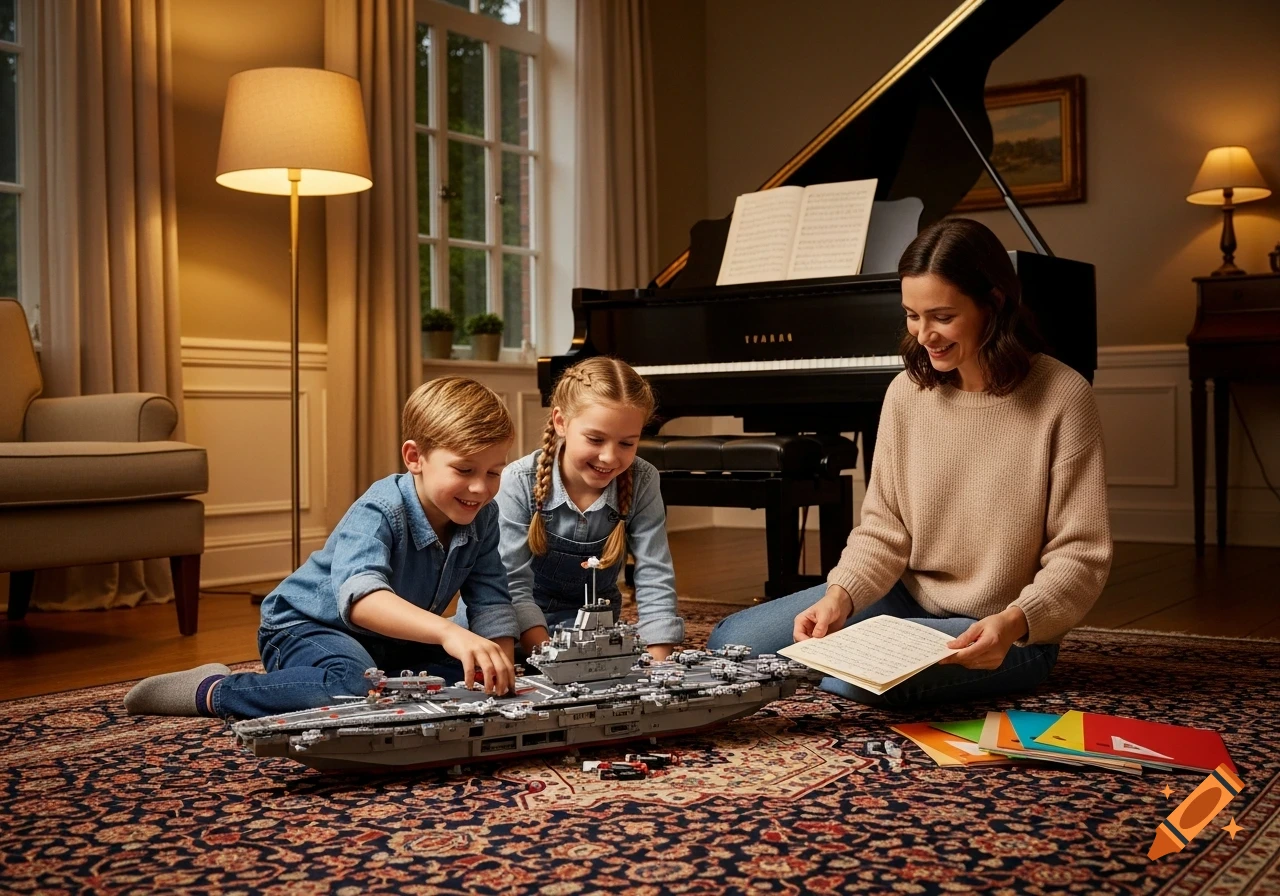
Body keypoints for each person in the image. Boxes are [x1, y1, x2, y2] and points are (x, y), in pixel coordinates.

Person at [707, 218, 1112, 708]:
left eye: (942, 316)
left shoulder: (1064, 397)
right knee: (733, 641)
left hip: (1006, 627)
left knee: (856, 681)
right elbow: (884, 527)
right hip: (903, 599)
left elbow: (1081, 556)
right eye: (911, 316)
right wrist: (842, 595)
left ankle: (863, 657)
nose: (924, 336)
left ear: (994, 303)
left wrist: (1017, 621)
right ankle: (866, 647)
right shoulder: (907, 393)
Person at [124, 377, 520, 718]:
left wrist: (497, 665)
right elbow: (363, 600)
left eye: (494, 472)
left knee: (465, 674)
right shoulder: (380, 509)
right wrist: (448, 633)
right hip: (305, 628)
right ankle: (213, 688)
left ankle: (374, 684)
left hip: (392, 647)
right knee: (351, 687)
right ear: (415, 457)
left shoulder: (483, 517)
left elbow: (491, 602)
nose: (480, 488)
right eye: (465, 470)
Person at [455, 356, 684, 661]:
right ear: (561, 422)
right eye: (595, 439)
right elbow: (511, 584)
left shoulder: (643, 480)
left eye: (627, 444)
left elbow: (655, 575)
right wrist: (554, 657)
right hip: (512, 620)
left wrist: (658, 664)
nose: (609, 457)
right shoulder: (518, 480)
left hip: (583, 628)